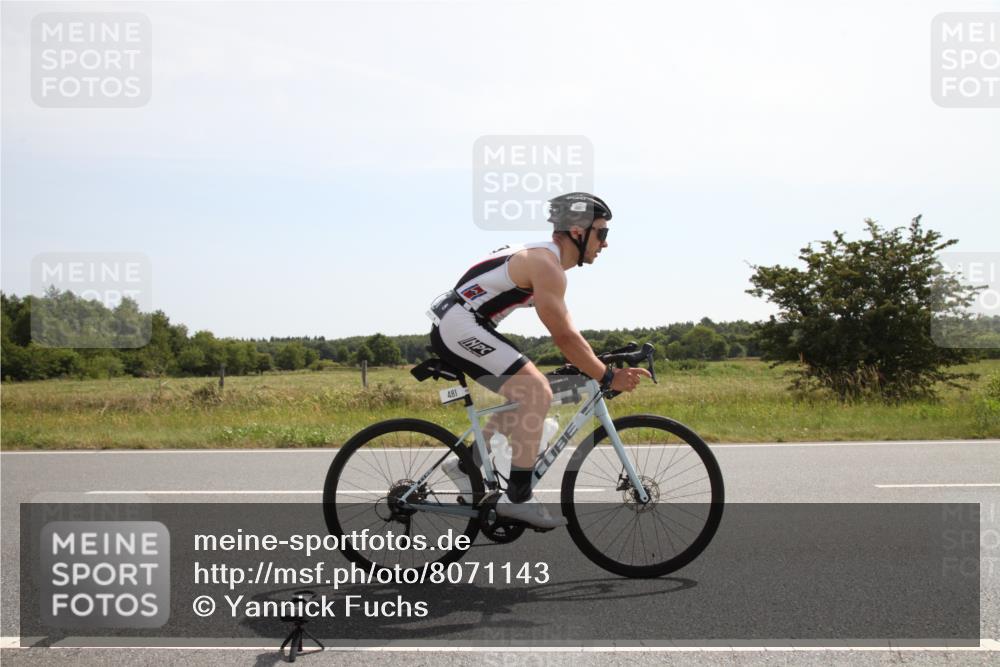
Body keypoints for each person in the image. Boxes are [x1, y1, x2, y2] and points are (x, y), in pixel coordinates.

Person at [427, 192, 650, 529]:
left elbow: (569, 331)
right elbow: (563, 338)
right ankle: (517, 498)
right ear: (578, 230)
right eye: (602, 233)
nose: (604, 244)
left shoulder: (548, 262)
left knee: (532, 393)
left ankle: (468, 465)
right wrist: (607, 376)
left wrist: (595, 360)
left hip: (464, 322)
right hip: (459, 325)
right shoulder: (546, 265)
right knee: (537, 392)